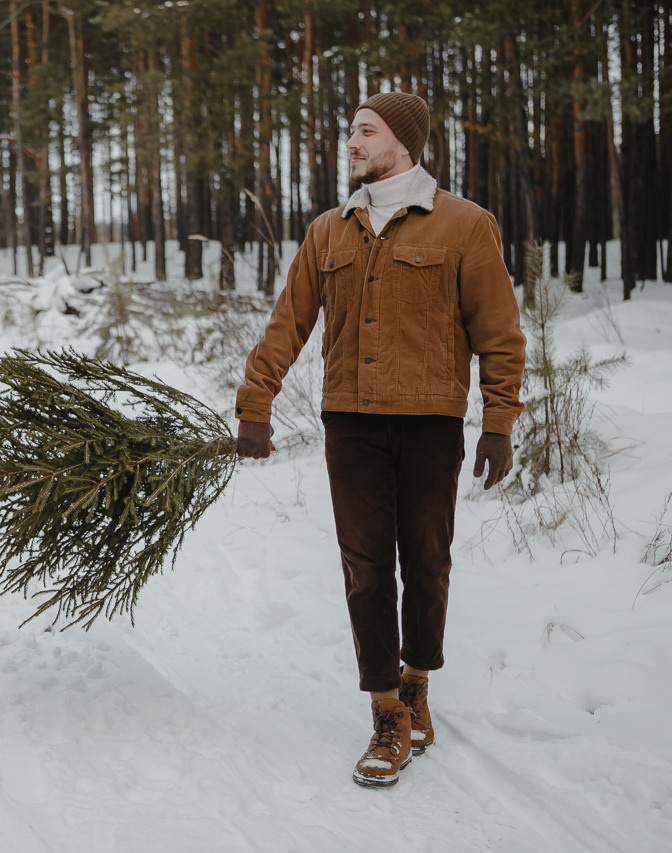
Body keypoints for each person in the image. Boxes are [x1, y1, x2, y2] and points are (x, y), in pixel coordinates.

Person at [234, 91, 526, 787]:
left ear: (404, 142)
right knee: (365, 567)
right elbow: (288, 324)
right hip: (352, 423)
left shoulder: (464, 225)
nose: (352, 141)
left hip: (429, 424)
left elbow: (500, 334)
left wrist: (498, 422)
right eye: (351, 129)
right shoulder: (329, 231)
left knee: (427, 559)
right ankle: (387, 709)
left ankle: (418, 676)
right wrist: (256, 402)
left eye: (365, 130)